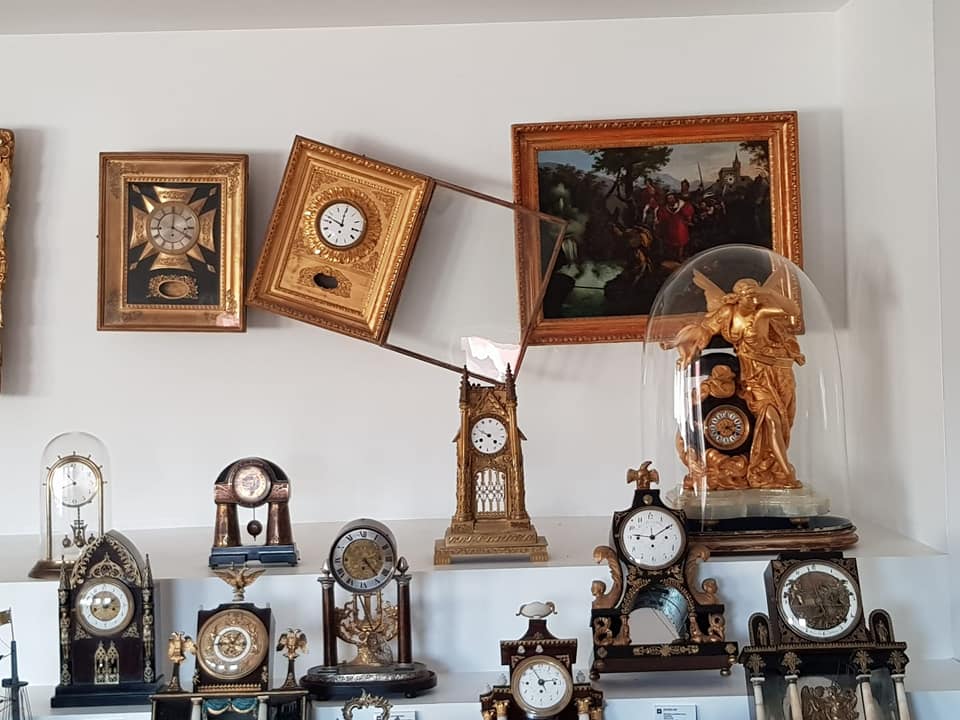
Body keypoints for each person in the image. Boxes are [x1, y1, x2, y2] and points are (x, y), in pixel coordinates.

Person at [655, 193, 695, 262]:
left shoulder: (682, 206)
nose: (670, 200)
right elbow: (662, 217)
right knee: (670, 243)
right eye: (669, 198)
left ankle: (680, 256)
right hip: (670, 228)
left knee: (680, 243)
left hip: (680, 227)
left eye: (672, 198)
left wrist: (686, 218)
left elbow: (688, 214)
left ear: (675, 198)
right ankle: (672, 257)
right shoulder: (665, 208)